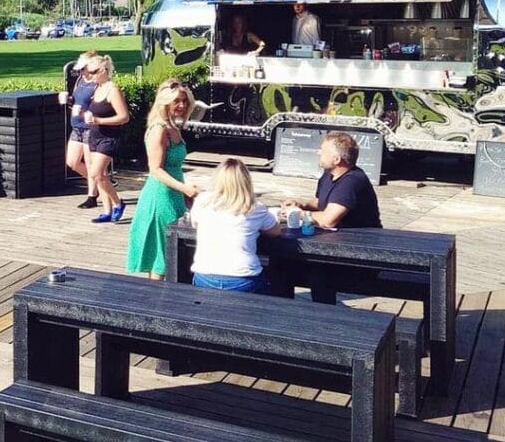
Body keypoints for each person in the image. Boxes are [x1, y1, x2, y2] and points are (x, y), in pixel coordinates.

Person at [126, 80, 199, 278]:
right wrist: (184, 188)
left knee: (171, 255)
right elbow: (155, 169)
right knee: (161, 257)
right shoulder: (159, 129)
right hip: (160, 197)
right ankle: (154, 304)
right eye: (176, 101)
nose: (182, 105)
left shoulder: (173, 127)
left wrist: (184, 193)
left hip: (174, 195)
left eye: (184, 101)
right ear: (165, 102)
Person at [189, 158, 282, 291]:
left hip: (205, 276)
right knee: (276, 282)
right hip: (243, 278)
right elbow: (275, 231)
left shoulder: (202, 202)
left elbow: (195, 223)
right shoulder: (255, 208)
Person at [283, 132, 382, 229]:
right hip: (337, 236)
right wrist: (302, 205)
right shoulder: (329, 174)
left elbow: (328, 221)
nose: (318, 152)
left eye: (323, 150)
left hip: (362, 240)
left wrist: (298, 213)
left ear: (336, 160)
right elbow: (321, 202)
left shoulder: (352, 181)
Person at [82, 54, 129, 223]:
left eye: (93, 72)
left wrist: (99, 120)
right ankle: (107, 211)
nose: (90, 75)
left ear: (103, 70)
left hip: (108, 138)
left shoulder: (112, 89)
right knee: (99, 174)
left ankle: (118, 203)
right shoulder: (98, 88)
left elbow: (124, 117)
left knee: (95, 173)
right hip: (95, 135)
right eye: (89, 72)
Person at [60, 50, 101, 208]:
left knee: (91, 163)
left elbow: (101, 105)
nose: (81, 72)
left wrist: (87, 112)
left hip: (89, 127)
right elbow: (77, 101)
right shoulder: (79, 80)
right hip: (76, 125)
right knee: (72, 161)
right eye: (80, 69)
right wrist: (69, 100)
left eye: (83, 69)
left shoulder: (97, 83)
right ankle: (99, 180)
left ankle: (92, 195)